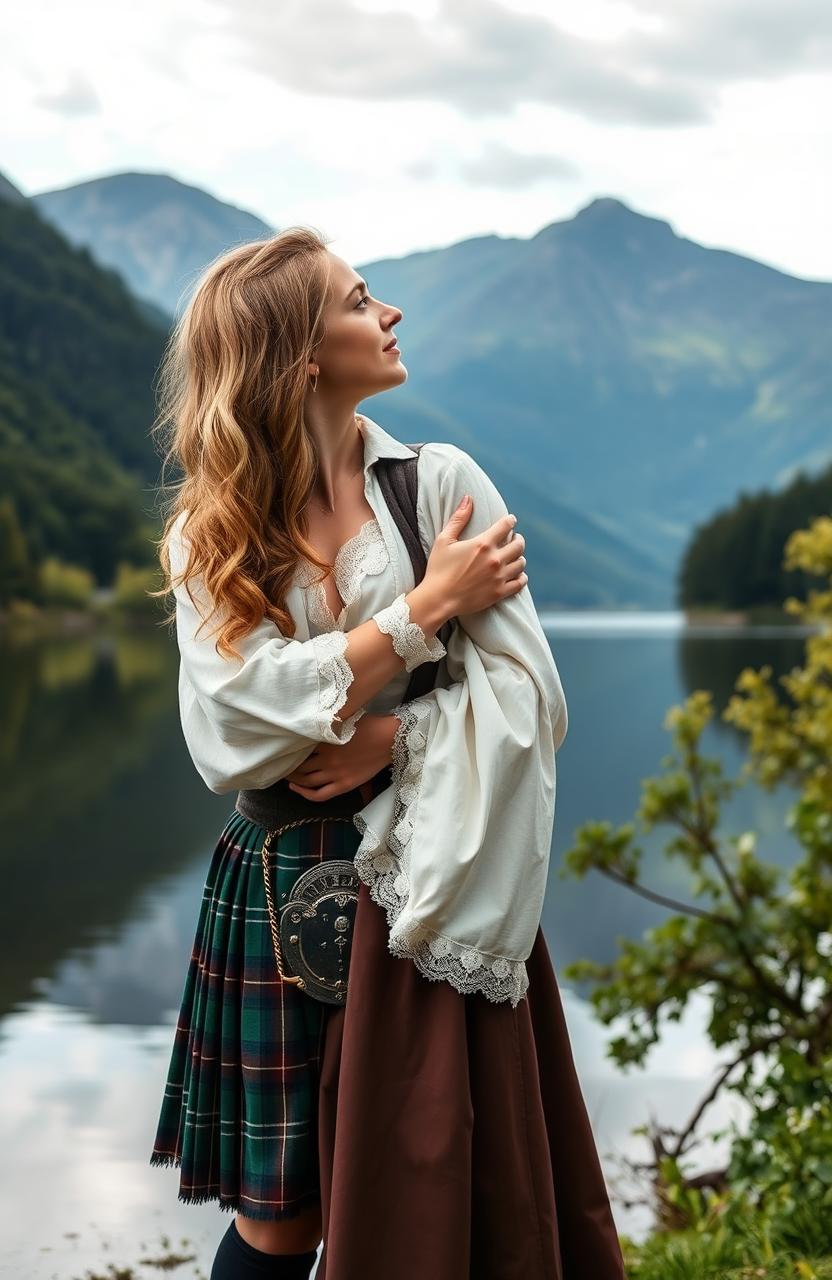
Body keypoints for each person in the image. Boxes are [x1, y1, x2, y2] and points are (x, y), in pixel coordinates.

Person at [148, 226, 626, 1279]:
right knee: (285, 1219)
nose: (390, 314)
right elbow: (234, 723)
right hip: (276, 887)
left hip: (438, 867)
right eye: (361, 300)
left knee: (431, 1181)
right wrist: (420, 615)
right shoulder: (214, 528)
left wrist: (393, 740)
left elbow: (529, 695)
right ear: (301, 354)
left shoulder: (442, 485)